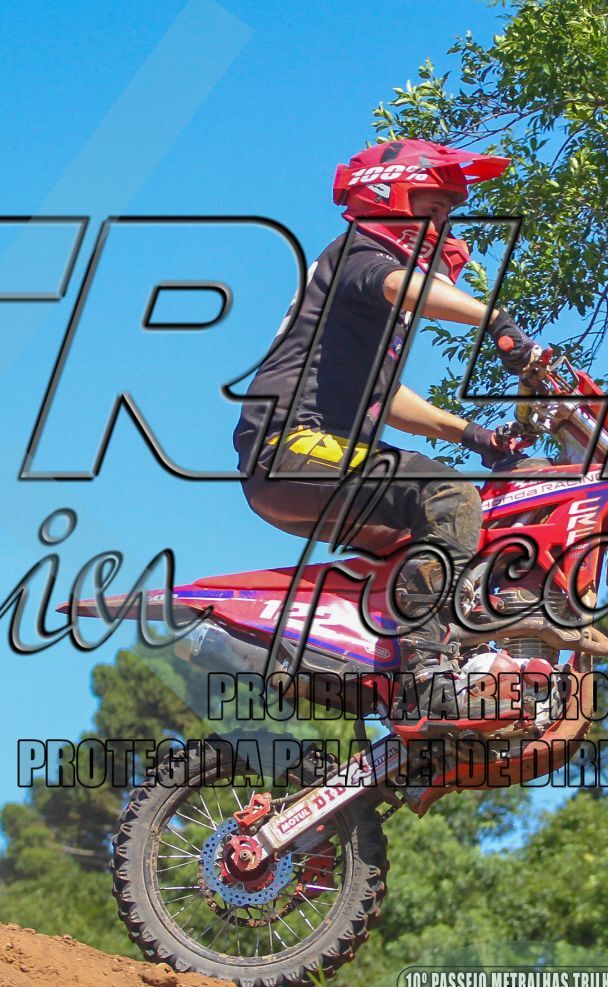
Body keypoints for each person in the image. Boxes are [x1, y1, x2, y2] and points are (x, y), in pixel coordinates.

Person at [232, 138, 541, 725]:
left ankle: (405, 671)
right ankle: (426, 667)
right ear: (390, 197)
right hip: (291, 444)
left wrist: (475, 436)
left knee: (440, 526)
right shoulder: (358, 253)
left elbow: (385, 398)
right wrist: (494, 318)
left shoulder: (368, 311)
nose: (444, 226)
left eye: (449, 214)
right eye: (434, 208)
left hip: (311, 455)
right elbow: (401, 286)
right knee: (447, 494)